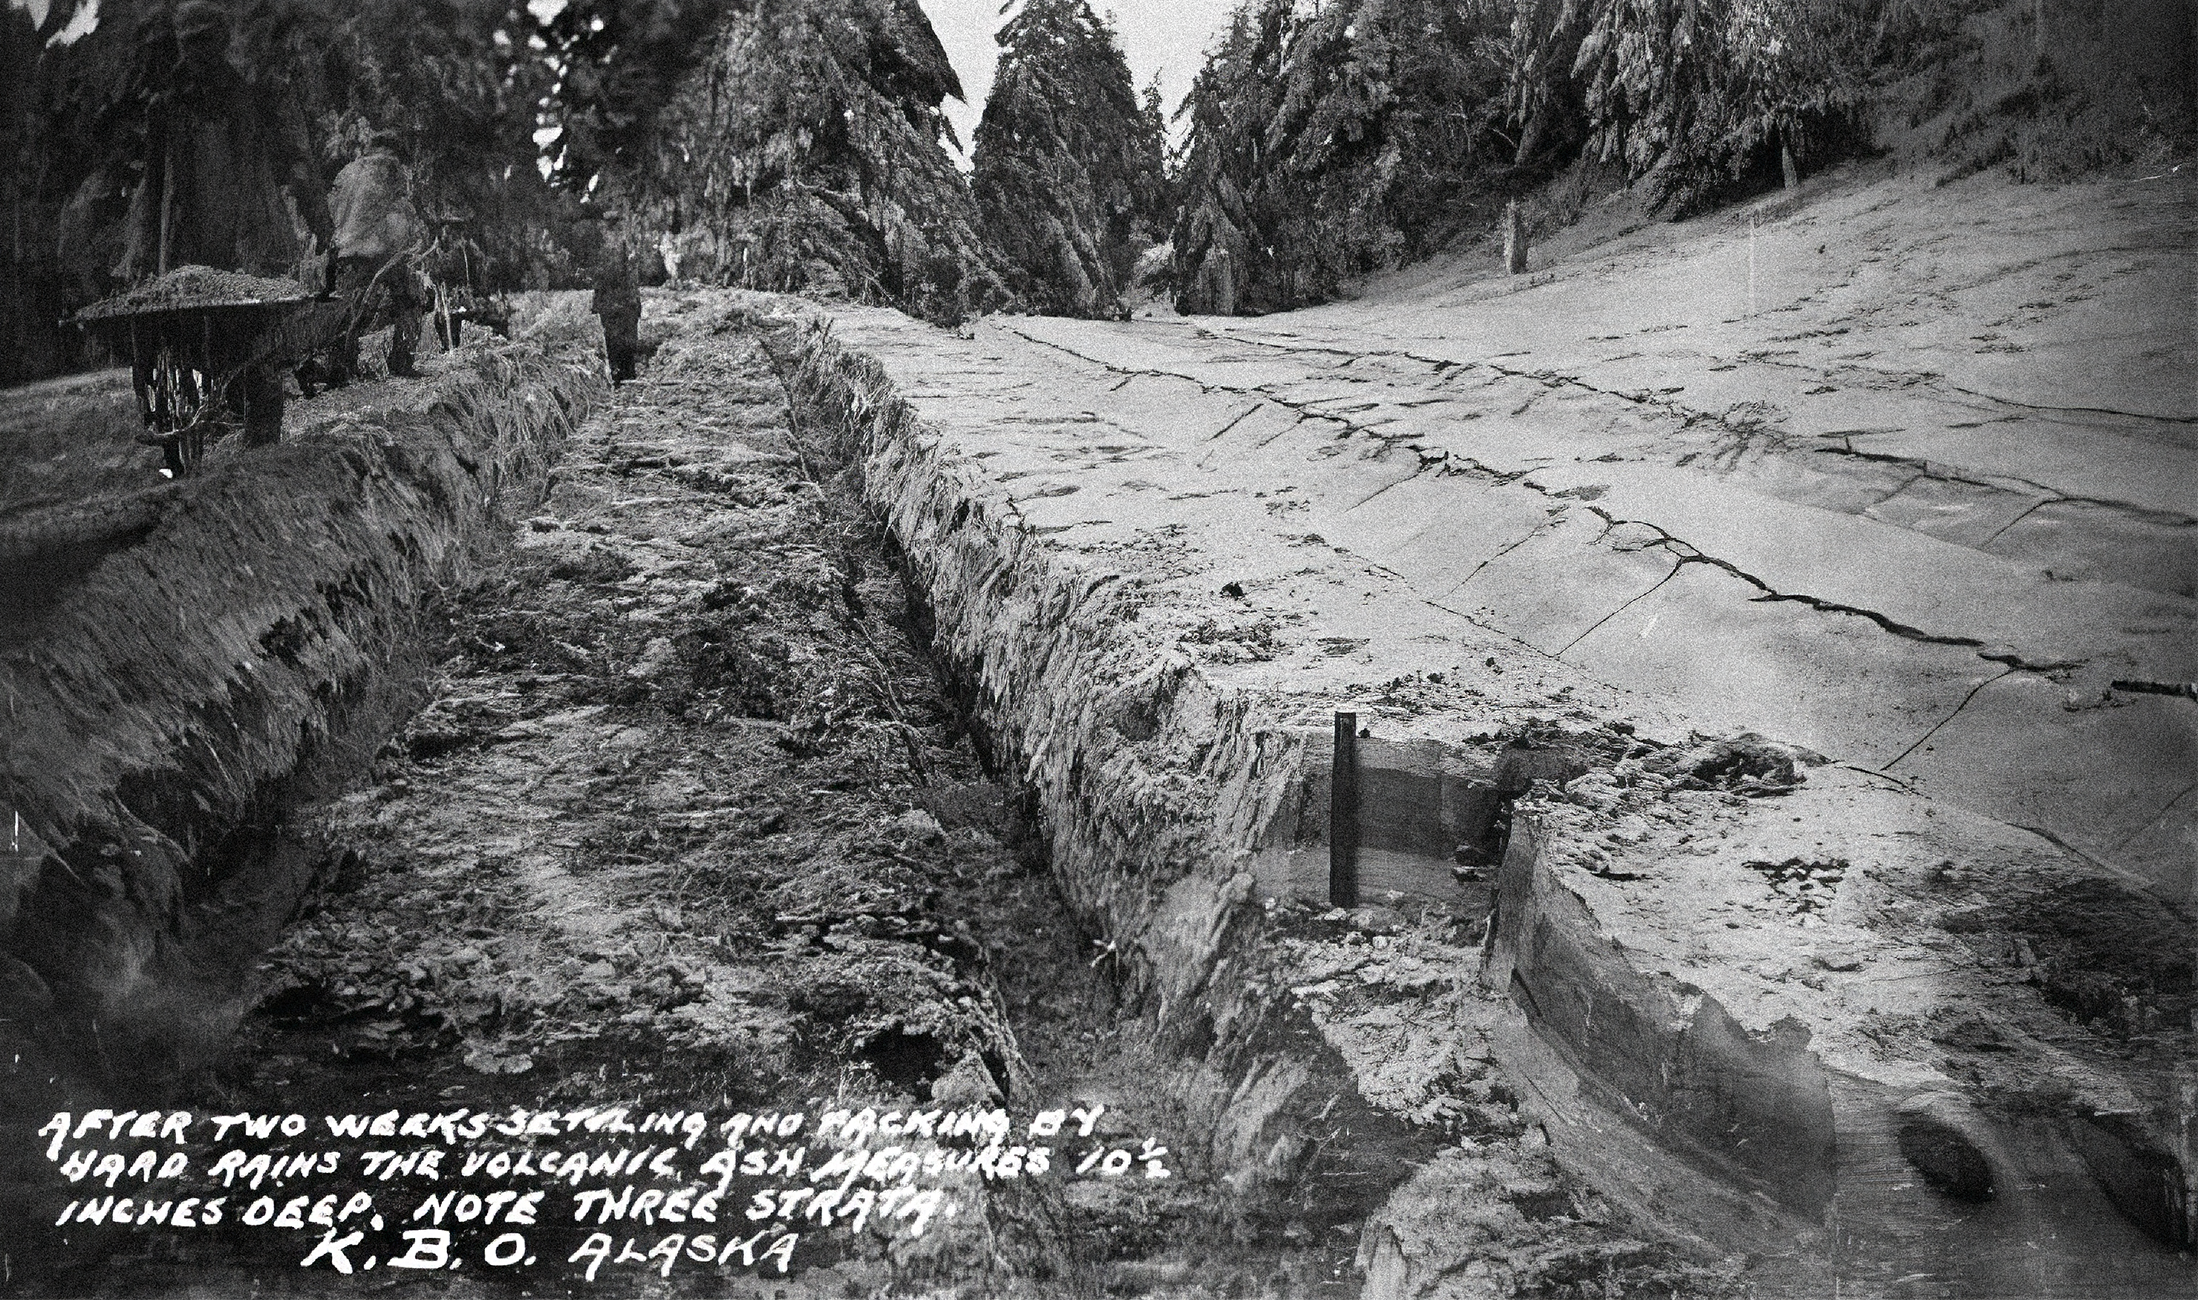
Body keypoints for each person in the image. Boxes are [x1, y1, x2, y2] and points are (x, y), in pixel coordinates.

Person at [323, 130, 429, 382]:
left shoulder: (347, 171)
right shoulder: (392, 170)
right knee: (409, 299)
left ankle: (339, 365)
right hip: (375, 250)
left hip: (341, 249)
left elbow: (332, 205)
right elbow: (403, 209)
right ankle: (401, 360)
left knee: (349, 308)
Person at [591, 215, 643, 384]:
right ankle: (622, 373)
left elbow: (626, 275)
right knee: (618, 338)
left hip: (621, 301)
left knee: (620, 338)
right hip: (617, 301)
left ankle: (622, 373)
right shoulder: (617, 245)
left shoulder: (617, 245)